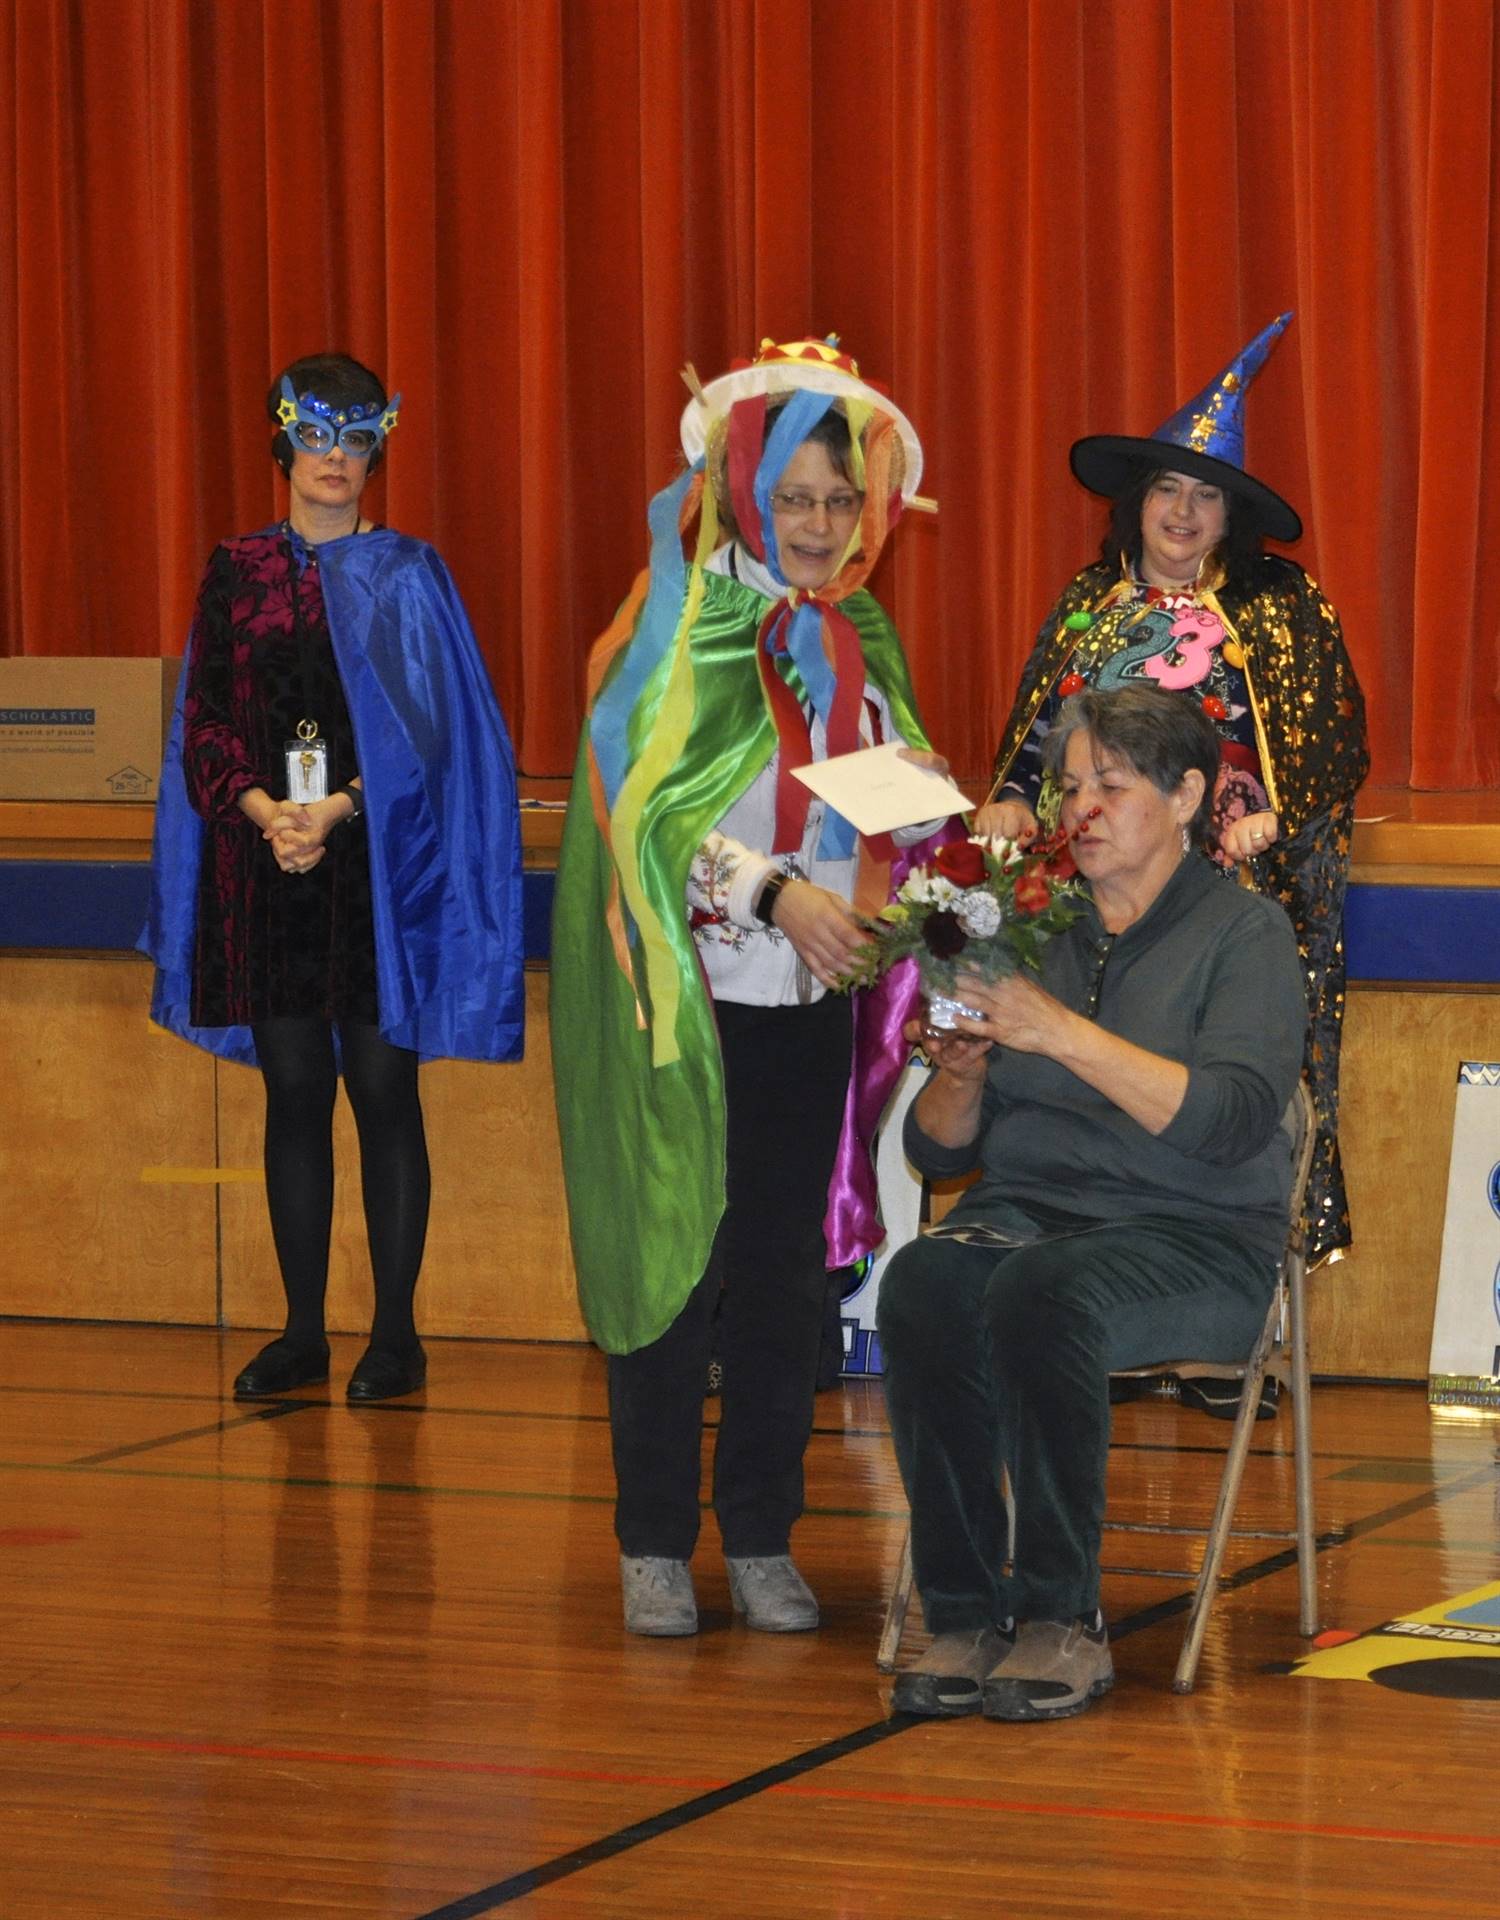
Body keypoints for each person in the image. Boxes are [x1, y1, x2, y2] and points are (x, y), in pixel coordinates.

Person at [552, 337, 950, 1636]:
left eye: (843, 501)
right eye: (797, 500)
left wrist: (964, 847)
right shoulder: (677, 622)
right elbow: (642, 818)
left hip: (808, 1013)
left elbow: (895, 806)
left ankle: (766, 1531)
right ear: (743, 493)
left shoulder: (858, 635)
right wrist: (776, 893)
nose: (823, 527)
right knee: (676, 1261)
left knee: (787, 1274)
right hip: (685, 1003)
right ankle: (655, 1537)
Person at [879, 684, 1307, 1721]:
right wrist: (967, 1071)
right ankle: (967, 1611)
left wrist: (1059, 1032)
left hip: (1202, 1240)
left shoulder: (1245, 937)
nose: (1082, 809)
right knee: (927, 1278)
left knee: (1044, 1291)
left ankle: (1063, 1619)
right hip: (1029, 1217)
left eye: (1111, 785)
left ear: (1190, 795)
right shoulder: (1038, 925)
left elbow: (1230, 1122)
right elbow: (934, 1156)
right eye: (1072, 787)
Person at [975, 317, 1367, 1350]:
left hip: (1231, 897)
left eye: (1205, 496)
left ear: (1230, 515)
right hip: (1093, 895)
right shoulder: (1085, 607)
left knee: (1222, 1087)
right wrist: (1014, 797)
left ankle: (1223, 1306)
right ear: (1134, 503)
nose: (1183, 513)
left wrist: (1275, 821)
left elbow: (1330, 743)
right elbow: (1032, 743)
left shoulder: (1281, 609)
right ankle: (1090, 1255)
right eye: (1166, 491)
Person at [142, 352, 524, 1403]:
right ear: (285, 443)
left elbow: (435, 730)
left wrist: (341, 807)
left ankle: (395, 1335)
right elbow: (206, 721)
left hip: (375, 874)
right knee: (295, 1094)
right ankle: (302, 1331)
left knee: (384, 1091)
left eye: (355, 442)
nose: (335, 460)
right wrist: (267, 814)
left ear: (375, 452)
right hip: (268, 874)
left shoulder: (409, 574)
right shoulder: (236, 571)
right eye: (317, 438)